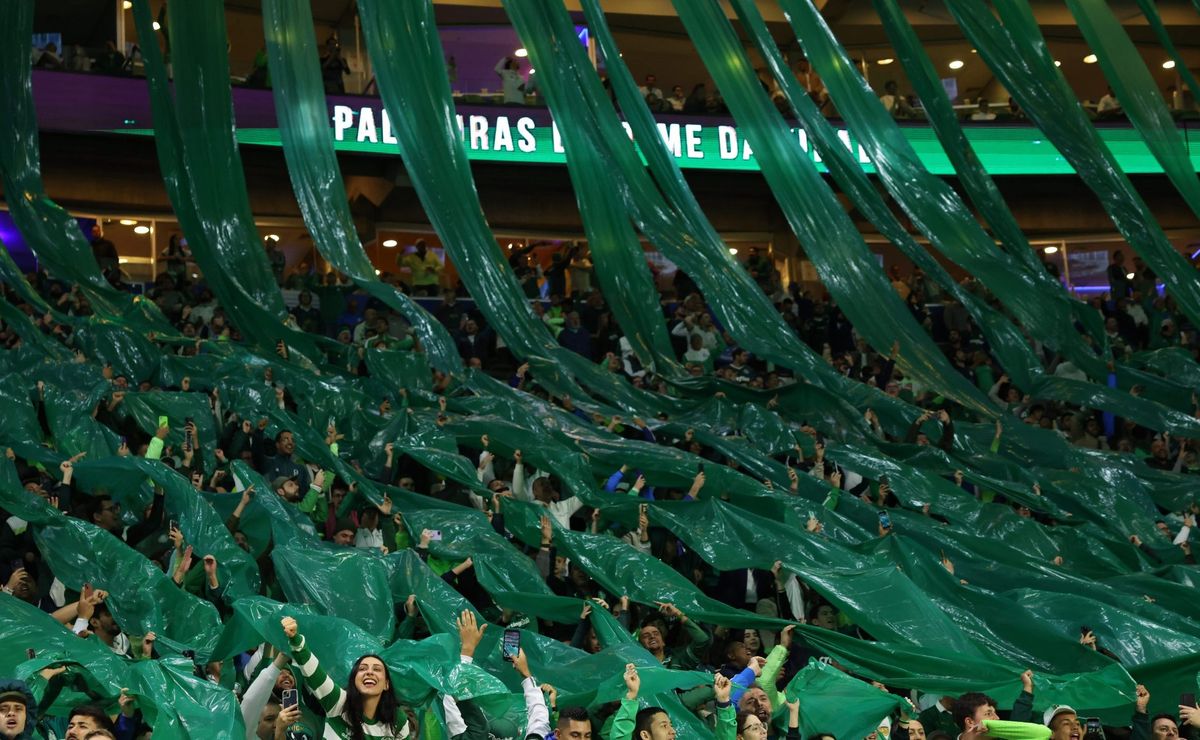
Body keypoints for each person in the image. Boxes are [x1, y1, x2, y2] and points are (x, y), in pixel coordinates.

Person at [281, 616, 410, 739]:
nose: (369, 672)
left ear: (386, 684)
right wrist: (295, 639)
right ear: (354, 680)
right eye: (362, 669)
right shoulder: (338, 702)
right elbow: (314, 673)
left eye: (377, 669)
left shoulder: (398, 719)